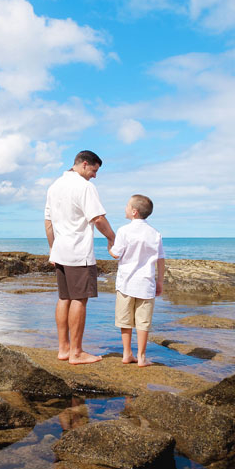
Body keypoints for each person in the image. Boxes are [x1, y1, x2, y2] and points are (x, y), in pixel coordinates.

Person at [45, 150, 115, 365]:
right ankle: (76, 352)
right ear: (85, 164)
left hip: (60, 250)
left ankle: (64, 349)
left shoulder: (54, 186)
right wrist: (113, 238)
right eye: (94, 171)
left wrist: (52, 249)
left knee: (64, 298)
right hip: (78, 252)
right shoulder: (84, 187)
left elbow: (48, 223)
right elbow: (98, 218)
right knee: (79, 299)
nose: (94, 176)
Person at [109, 194, 165, 367]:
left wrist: (109, 247)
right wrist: (160, 281)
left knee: (125, 320)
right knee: (143, 321)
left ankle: (127, 353)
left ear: (134, 212)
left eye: (127, 206)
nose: (125, 208)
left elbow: (117, 253)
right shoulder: (155, 233)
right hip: (146, 283)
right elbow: (160, 260)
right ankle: (141, 357)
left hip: (126, 283)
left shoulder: (124, 230)